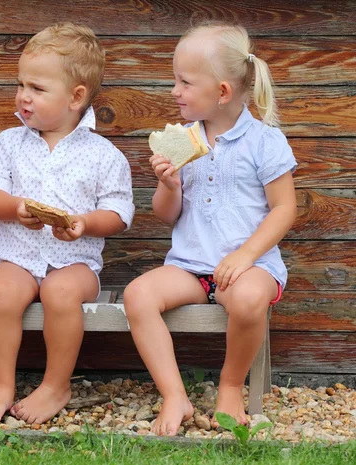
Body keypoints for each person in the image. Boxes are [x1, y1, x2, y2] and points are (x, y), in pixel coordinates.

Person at [123, 22, 297, 436]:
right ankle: (174, 395)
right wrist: (168, 184)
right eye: (174, 80)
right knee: (138, 295)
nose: (174, 91)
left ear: (221, 92)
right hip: (190, 264)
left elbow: (284, 209)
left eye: (184, 82)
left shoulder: (264, 141)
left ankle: (231, 385)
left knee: (250, 298)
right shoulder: (181, 141)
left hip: (248, 265)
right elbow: (167, 215)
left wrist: (245, 256)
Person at [0, 23, 134, 425]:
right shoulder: (10, 142)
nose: (23, 96)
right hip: (18, 257)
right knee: (1, 288)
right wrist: (14, 208)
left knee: (61, 292)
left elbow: (119, 213)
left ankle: (55, 385)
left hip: (75, 264)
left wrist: (83, 223)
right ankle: (1, 385)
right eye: (21, 84)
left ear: (76, 97)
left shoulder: (103, 154)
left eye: (37, 89)